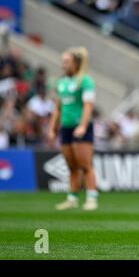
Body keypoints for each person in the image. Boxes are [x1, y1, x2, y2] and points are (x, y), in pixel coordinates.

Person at [48, 47, 99, 211]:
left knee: (85, 165)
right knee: (71, 166)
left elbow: (88, 106)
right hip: (66, 128)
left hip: (80, 128)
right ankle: (72, 198)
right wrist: (52, 128)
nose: (63, 65)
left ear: (75, 63)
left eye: (66, 62)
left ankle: (91, 197)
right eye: (62, 62)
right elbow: (57, 109)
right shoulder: (61, 83)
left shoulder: (85, 81)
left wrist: (83, 126)